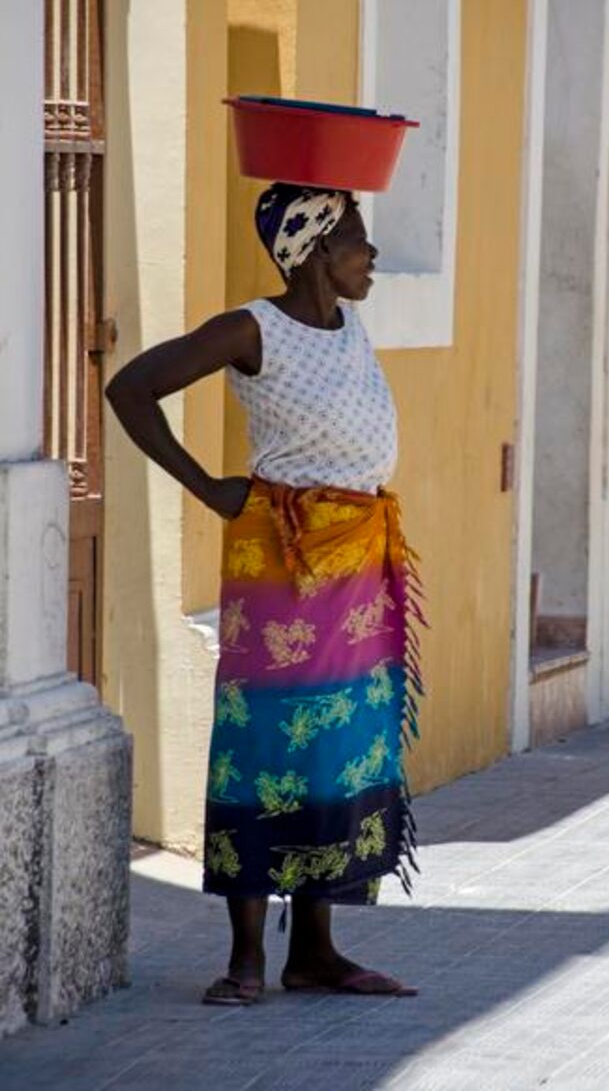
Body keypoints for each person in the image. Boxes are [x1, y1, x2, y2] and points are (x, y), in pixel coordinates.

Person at [106, 182, 425, 1003]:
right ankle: (245, 958)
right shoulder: (251, 328)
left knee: (338, 745)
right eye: (357, 239)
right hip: (280, 566)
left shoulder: (350, 325)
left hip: (356, 564)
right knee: (264, 745)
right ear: (316, 249)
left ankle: (315, 950)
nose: (372, 255)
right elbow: (131, 388)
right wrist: (206, 487)